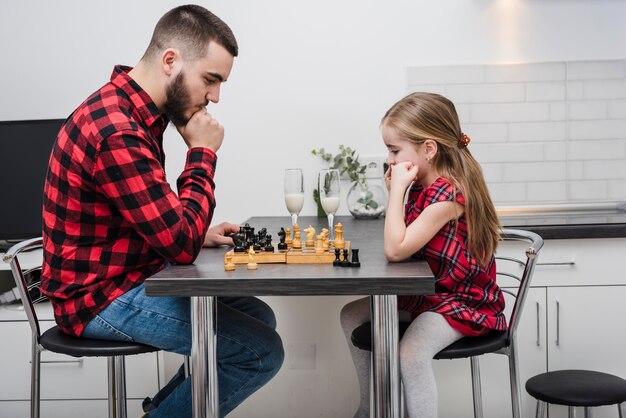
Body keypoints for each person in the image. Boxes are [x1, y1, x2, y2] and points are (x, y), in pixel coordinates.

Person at [40, 5, 284, 417]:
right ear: (170, 60)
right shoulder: (117, 129)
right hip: (98, 299)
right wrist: (203, 153)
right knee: (260, 353)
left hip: (125, 276)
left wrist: (193, 230)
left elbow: (150, 215)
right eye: (211, 80)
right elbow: (181, 248)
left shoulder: (135, 112)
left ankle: (164, 409)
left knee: (259, 315)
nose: (216, 97)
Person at [340, 92, 505, 418]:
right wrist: (396, 192)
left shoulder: (448, 195)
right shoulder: (421, 186)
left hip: (461, 302)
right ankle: (370, 407)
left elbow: (395, 250)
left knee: (410, 353)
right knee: (351, 314)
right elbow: (400, 244)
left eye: (394, 149)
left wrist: (396, 192)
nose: (389, 158)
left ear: (428, 148)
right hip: (428, 294)